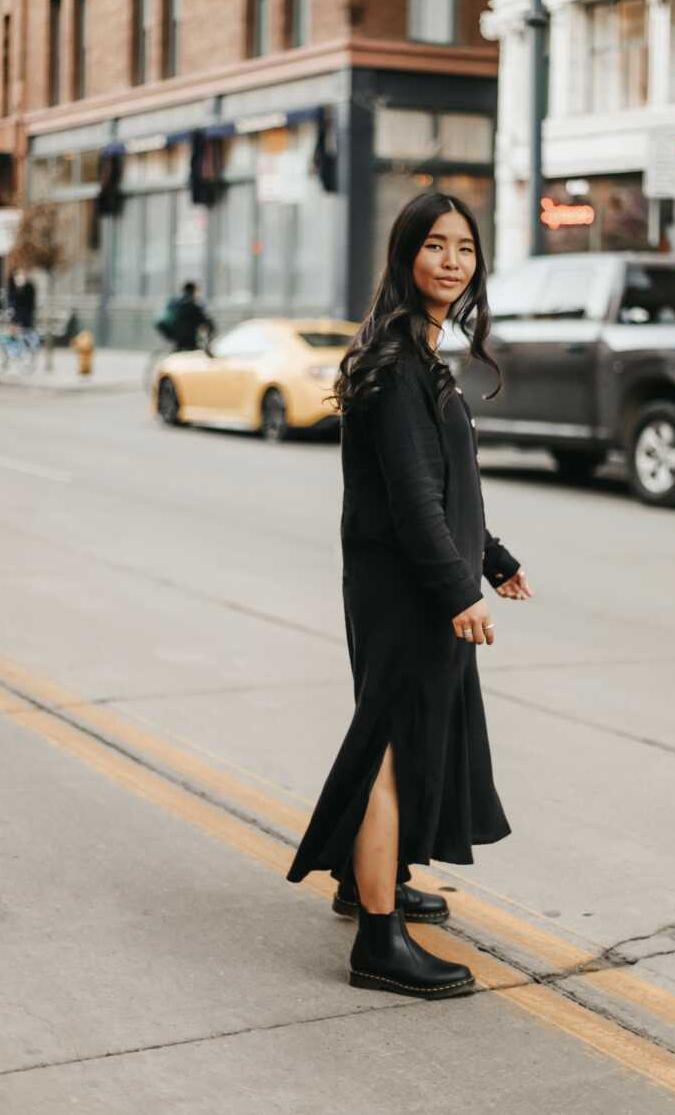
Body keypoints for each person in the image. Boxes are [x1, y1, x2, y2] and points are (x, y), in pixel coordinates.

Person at [286, 192, 533, 1000]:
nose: (453, 261)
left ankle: (370, 884)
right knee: (393, 749)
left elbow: (449, 482)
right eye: (436, 245)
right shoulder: (397, 366)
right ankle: (380, 943)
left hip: (421, 582)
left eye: (465, 248)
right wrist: (459, 587)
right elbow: (412, 500)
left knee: (405, 740)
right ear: (406, 255)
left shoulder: (423, 356)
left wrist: (490, 557)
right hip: (408, 590)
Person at [158, 281, 214, 352]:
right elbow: (209, 324)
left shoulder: (174, 304)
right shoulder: (195, 306)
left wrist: (171, 337)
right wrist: (207, 344)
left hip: (177, 342)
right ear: (194, 291)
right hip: (191, 343)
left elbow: (161, 322)